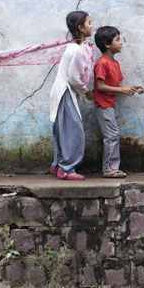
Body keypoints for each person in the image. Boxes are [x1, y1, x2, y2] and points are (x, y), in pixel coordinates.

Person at [92, 26, 144, 178]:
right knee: (111, 135)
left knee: (113, 135)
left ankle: (112, 167)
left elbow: (119, 84)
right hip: (103, 106)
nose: (121, 43)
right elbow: (100, 86)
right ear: (107, 45)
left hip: (110, 105)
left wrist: (133, 87)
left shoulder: (114, 63)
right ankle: (108, 169)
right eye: (117, 40)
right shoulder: (102, 63)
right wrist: (121, 91)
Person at [49, 11, 95, 180]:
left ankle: (58, 165)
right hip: (66, 92)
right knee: (73, 132)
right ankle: (67, 169)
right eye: (89, 23)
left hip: (62, 91)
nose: (92, 26)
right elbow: (75, 78)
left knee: (63, 130)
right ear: (81, 28)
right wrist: (87, 92)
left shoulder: (75, 47)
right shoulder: (76, 50)